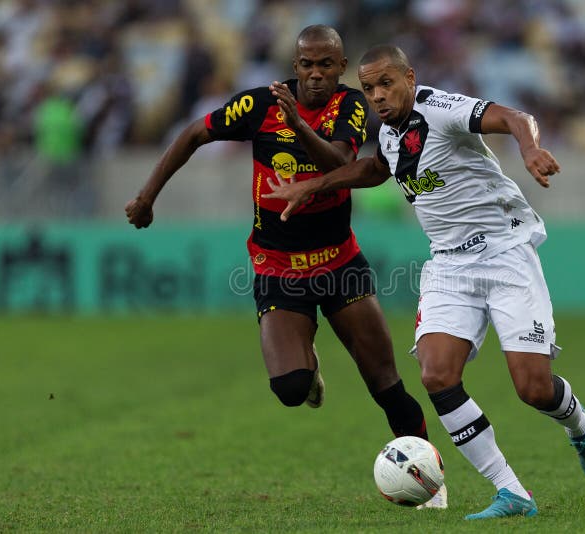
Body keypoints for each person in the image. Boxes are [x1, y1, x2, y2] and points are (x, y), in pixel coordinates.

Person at [264, 45, 585, 520]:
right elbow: (376, 169)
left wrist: (528, 148)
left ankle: (580, 429)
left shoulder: (440, 109)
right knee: (436, 375)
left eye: (386, 83)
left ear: (410, 77)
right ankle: (512, 492)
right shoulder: (387, 131)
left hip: (505, 253)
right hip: (448, 265)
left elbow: (513, 115)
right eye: (368, 89)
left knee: (532, 388)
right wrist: (314, 185)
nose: (378, 96)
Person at [125, 29, 442, 504]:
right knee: (291, 389)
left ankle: (432, 484)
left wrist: (298, 127)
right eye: (307, 65)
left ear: (340, 67)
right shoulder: (257, 105)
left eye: (326, 65)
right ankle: (309, 369)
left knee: (386, 386)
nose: (316, 74)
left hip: (339, 263)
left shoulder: (352, 105)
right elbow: (194, 133)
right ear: (295, 66)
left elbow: (339, 159)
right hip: (277, 267)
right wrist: (148, 197)